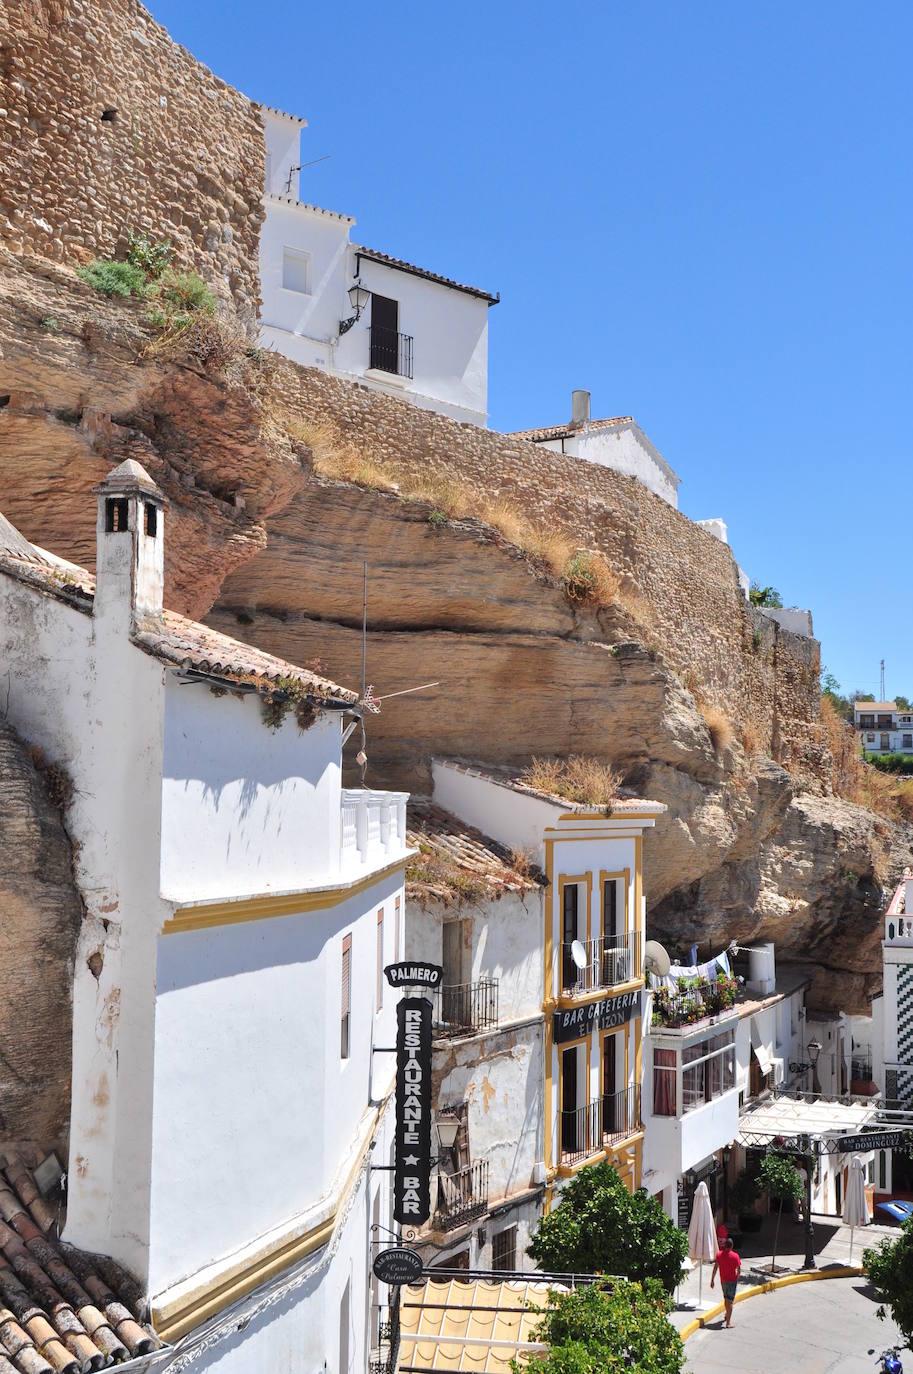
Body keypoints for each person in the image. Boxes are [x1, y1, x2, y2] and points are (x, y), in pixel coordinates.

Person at [710, 1236, 741, 1328]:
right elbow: (739, 1269)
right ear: (732, 1246)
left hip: (723, 1280)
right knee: (730, 1301)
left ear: (725, 1245)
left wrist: (712, 1280)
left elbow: (715, 1268)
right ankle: (728, 1323)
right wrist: (737, 1277)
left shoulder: (719, 1255)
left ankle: (726, 1314)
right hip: (732, 1280)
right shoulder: (735, 1256)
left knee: (726, 1298)